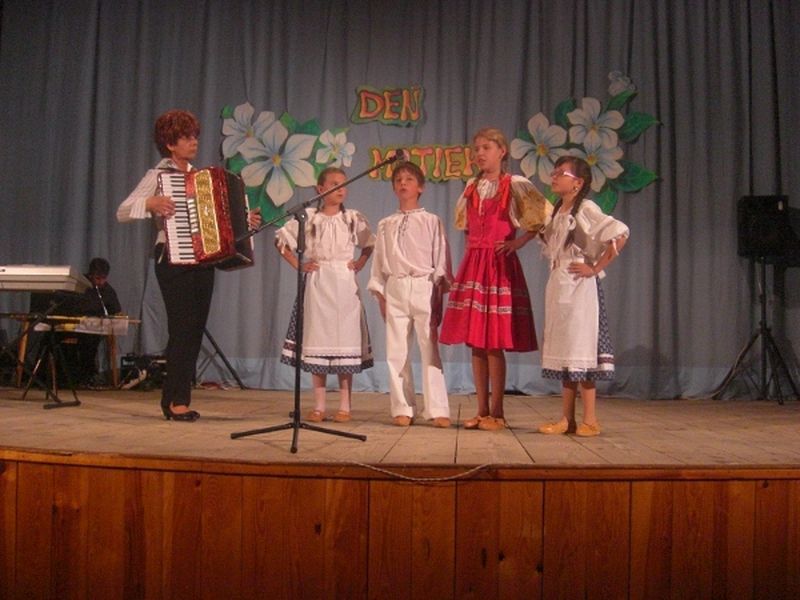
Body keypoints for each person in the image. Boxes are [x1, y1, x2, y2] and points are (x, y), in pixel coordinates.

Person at [117, 109, 260, 422]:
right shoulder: (158, 175)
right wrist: (151, 203)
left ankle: (178, 398)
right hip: (171, 257)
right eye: (186, 137)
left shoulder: (202, 178)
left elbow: (221, 218)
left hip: (202, 260)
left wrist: (243, 221)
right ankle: (174, 401)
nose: (194, 141)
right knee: (182, 329)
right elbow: (123, 211)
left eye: (194, 136)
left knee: (194, 330)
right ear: (170, 144)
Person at [439, 127, 550, 431]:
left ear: (502, 151)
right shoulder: (471, 187)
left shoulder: (513, 184)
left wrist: (518, 242)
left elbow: (543, 217)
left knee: (493, 343)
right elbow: (466, 226)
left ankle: (498, 413)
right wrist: (473, 252)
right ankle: (481, 410)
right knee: (476, 342)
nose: (480, 153)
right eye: (477, 148)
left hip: (499, 265)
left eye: (486, 147)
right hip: (476, 265)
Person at [536, 156, 629, 437]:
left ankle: (590, 419)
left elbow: (620, 233)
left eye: (560, 173)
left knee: (582, 351)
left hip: (579, 287)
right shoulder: (558, 211)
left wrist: (595, 268)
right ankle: (567, 419)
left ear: (577, 183)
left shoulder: (586, 208)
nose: (553, 177)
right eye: (554, 172)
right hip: (559, 285)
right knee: (567, 353)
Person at [276, 166, 375, 423]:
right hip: (319, 283)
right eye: (334, 184)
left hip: (344, 284)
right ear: (320, 189)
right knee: (317, 341)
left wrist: (360, 262)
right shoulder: (309, 218)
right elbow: (282, 241)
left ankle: (345, 406)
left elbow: (369, 243)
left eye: (343, 184)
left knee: (345, 342)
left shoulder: (351, 218)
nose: (341, 188)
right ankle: (319, 405)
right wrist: (299, 265)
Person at [367, 161, 452, 428]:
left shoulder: (431, 220)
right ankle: (402, 407)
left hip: (424, 285)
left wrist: (438, 289)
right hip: (396, 286)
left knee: (430, 348)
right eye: (398, 180)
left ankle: (437, 408)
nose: (403, 183)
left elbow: (440, 257)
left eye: (409, 179)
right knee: (396, 350)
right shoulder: (385, 224)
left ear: (421, 187)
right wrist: (381, 295)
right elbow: (379, 262)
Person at [73, 257, 122, 386]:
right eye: (97, 278)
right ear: (90, 276)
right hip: (74, 325)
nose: (100, 282)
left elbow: (116, 310)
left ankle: (87, 375)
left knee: (91, 338)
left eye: (103, 278)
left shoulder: (107, 290)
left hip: (93, 329)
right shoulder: (80, 285)